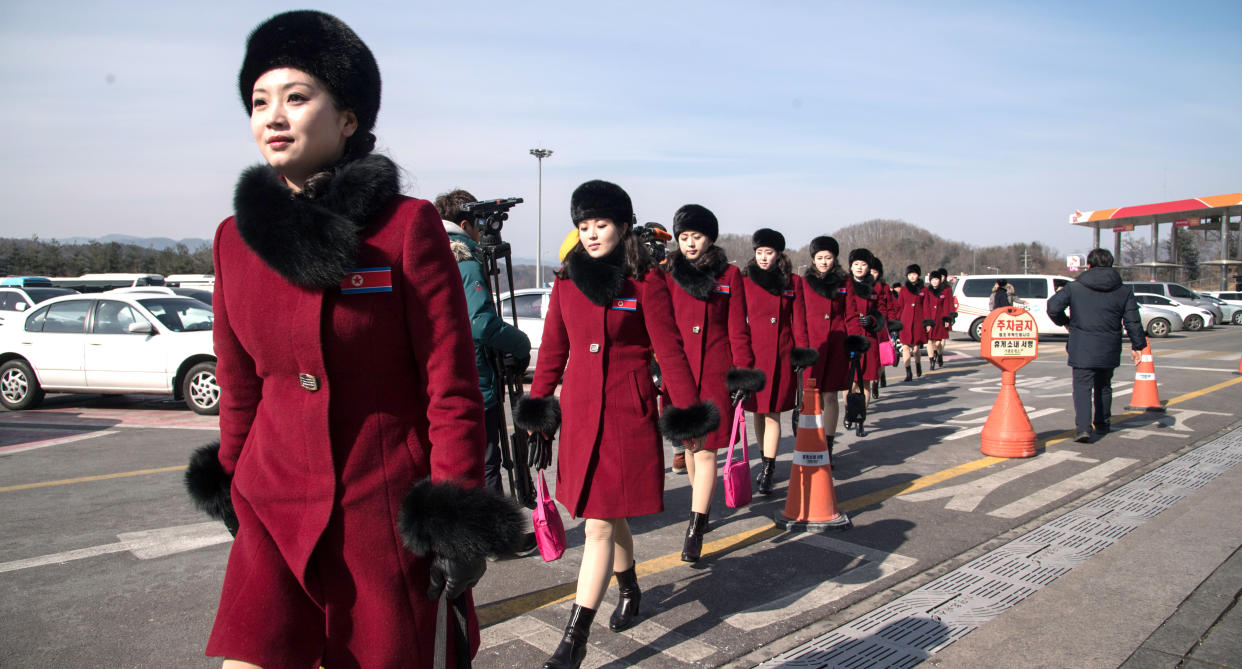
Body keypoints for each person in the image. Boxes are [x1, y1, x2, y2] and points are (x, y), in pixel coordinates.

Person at [184, 11, 524, 669]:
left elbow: (448, 383)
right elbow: (240, 385)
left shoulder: (404, 227)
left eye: (297, 96)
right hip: (272, 508)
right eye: (259, 101)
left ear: (347, 119)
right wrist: (230, 480)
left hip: (379, 516)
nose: (273, 115)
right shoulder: (234, 239)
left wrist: (454, 516)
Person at [514, 180, 718, 668]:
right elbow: (553, 355)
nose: (590, 234)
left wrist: (688, 414)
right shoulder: (566, 281)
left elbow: (669, 352)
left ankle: (573, 640)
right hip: (583, 416)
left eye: (600, 224)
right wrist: (539, 412)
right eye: (582, 226)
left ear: (623, 226)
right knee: (608, 512)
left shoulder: (646, 282)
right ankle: (629, 587)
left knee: (601, 524)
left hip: (628, 414)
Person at [661, 204, 762, 562]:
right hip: (679, 372)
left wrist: (743, 371)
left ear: (710, 238)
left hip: (714, 371)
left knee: (706, 451)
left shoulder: (729, 275)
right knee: (690, 447)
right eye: (684, 237)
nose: (690, 244)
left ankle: (695, 526)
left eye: (697, 237)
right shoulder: (667, 273)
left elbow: (739, 328)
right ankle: (698, 505)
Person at [435, 189, 532, 496]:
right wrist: (520, 344)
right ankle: (496, 539)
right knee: (488, 462)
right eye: (478, 225)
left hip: (446, 378)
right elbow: (480, 323)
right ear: (465, 225)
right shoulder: (463, 257)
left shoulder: (433, 252)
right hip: (476, 381)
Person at [1047, 248, 1146, 443]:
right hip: (1109, 345)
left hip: (1082, 345)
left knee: (1082, 387)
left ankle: (1083, 428)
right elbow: (1133, 320)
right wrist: (1138, 345)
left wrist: (1064, 321)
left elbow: (1052, 307)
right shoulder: (1123, 290)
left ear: (1089, 265)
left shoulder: (1075, 287)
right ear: (1111, 265)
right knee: (1104, 386)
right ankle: (1102, 423)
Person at [742, 228, 815, 496]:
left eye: (768, 253)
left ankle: (768, 469)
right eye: (759, 252)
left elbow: (799, 320)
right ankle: (764, 460)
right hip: (753, 355)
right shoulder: (746, 281)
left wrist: (801, 352)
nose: (763, 258)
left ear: (778, 254)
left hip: (781, 354)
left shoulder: (792, 282)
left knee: (773, 412)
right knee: (758, 413)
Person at [801, 235, 849, 458]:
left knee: (831, 396)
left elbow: (850, 314)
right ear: (812, 259)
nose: (823, 261)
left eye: (828, 257)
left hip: (837, 344)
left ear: (834, 258)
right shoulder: (804, 283)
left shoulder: (844, 282)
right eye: (819, 257)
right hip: (813, 345)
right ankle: (813, 440)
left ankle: (828, 447)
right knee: (813, 396)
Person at [844, 249, 889, 406]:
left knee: (866, 381)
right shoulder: (844, 285)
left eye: (863, 264)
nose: (859, 267)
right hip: (849, 337)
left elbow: (882, 311)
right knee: (849, 381)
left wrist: (872, 320)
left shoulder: (876, 288)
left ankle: (861, 416)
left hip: (869, 339)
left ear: (869, 267)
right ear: (850, 266)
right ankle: (850, 410)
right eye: (856, 264)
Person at [894, 264, 933, 381]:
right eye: (910, 275)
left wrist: (927, 323)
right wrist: (896, 321)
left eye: (914, 274)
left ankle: (918, 364)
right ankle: (908, 372)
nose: (912, 277)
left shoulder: (924, 290)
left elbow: (927, 306)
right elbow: (899, 306)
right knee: (905, 347)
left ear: (918, 275)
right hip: (905, 321)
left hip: (918, 321)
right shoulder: (904, 289)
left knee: (916, 348)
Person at [925, 270, 952, 369]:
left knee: (938, 342)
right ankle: (931, 361)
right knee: (929, 341)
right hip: (930, 319)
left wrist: (947, 319)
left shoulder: (944, 291)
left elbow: (947, 306)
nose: (935, 281)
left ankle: (939, 355)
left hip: (940, 319)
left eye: (937, 279)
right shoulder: (927, 291)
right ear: (930, 280)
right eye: (933, 279)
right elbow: (925, 306)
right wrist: (926, 321)